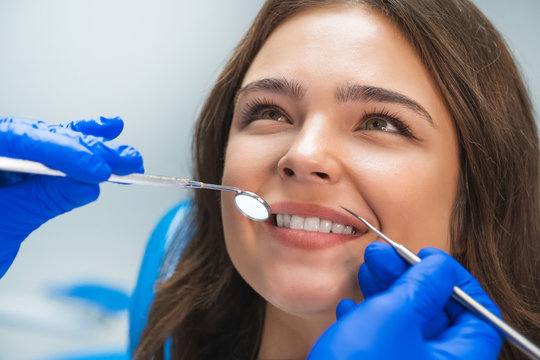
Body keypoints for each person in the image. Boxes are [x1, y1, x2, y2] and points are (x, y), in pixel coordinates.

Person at [0, 1, 538, 360]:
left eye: (381, 122)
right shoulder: (176, 252)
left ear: (479, 192)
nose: (302, 156)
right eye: (270, 112)